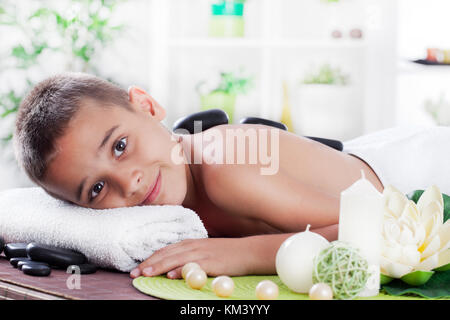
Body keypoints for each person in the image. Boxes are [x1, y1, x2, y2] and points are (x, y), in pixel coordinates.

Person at [15, 72, 438, 281]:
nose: (132, 183)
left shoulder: (223, 165)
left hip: (420, 169)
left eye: (120, 146)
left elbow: (382, 227)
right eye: (98, 189)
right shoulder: (172, 210)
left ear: (146, 105)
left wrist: (247, 254)